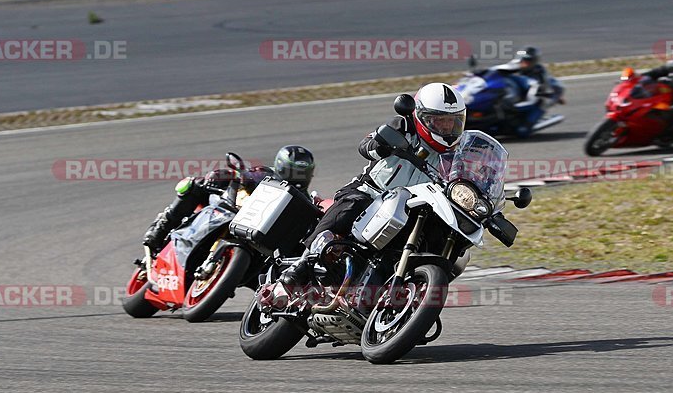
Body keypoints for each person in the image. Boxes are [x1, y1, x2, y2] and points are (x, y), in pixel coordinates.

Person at [271, 83, 467, 297]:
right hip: (372, 192)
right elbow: (366, 144)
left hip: (409, 210)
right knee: (350, 208)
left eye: (452, 121)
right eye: (439, 121)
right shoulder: (402, 127)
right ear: (422, 117)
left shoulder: (457, 155)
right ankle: (300, 267)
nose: (447, 128)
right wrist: (380, 146)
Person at [142, 145, 316, 254]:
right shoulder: (265, 173)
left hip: (259, 236)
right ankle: (161, 228)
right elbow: (242, 174)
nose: (297, 177)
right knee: (192, 185)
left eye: (302, 172)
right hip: (233, 207)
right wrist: (220, 175)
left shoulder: (304, 201)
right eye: (293, 171)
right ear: (280, 166)